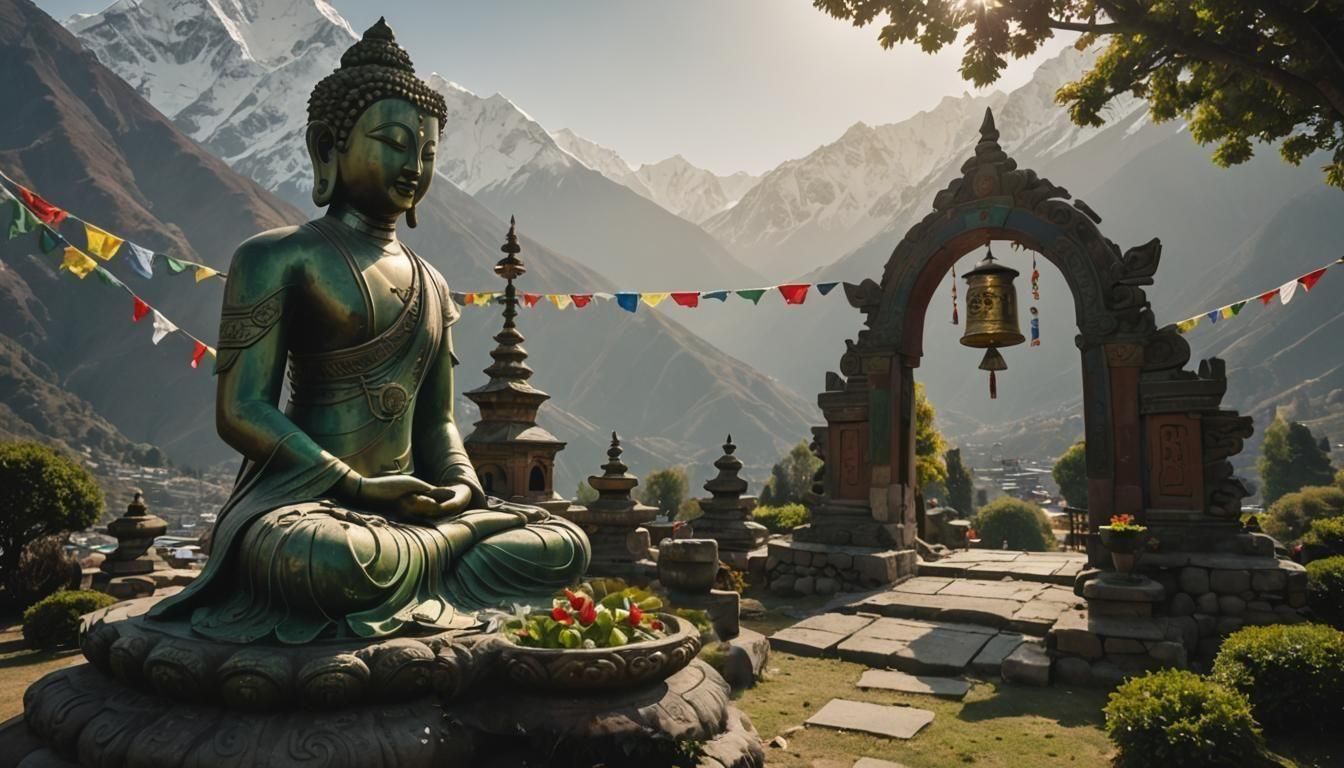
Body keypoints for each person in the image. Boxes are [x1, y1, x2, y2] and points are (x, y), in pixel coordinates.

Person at [149, 19, 589, 644]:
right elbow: (242, 410)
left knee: (563, 543)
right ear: (328, 148)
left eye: (428, 152)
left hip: (416, 514)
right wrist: (354, 485)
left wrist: (462, 486)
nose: (413, 164)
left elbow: (435, 422)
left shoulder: (432, 283)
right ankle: (434, 570)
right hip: (307, 506)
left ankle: (430, 561)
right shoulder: (276, 258)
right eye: (393, 141)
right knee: (332, 560)